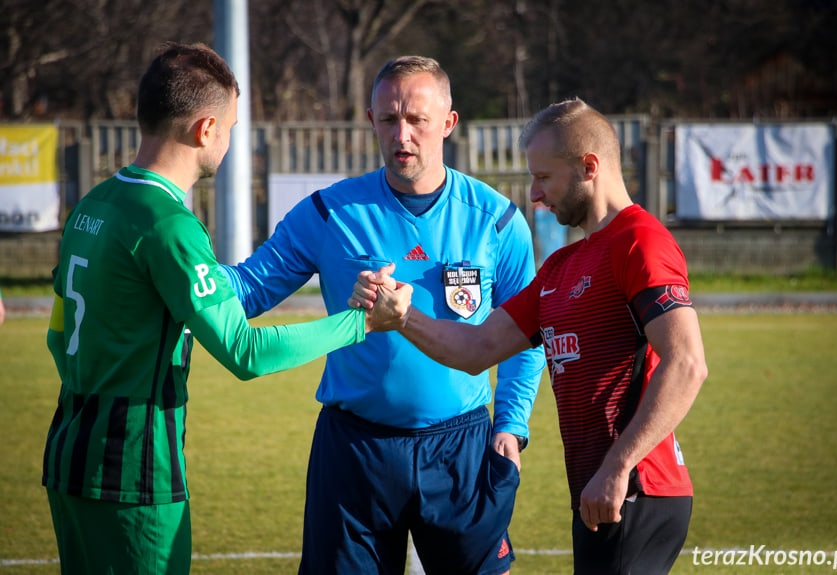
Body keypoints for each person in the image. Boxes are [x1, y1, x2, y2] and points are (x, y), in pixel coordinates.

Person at [42, 42, 408, 575]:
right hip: (133, 471)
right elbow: (246, 352)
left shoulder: (92, 205)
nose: (232, 140)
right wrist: (362, 322)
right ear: (206, 129)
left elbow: (57, 335)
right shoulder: (168, 224)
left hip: (69, 453)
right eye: (233, 127)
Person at [354, 98, 709, 575]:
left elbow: (686, 363)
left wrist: (618, 466)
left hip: (637, 487)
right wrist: (401, 315)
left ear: (589, 167)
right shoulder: (562, 266)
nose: (535, 194)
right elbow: (477, 349)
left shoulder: (639, 241)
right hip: (598, 489)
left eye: (544, 177)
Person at [221, 55, 545, 574]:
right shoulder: (329, 213)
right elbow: (247, 289)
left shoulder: (498, 222)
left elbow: (527, 337)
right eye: (389, 119)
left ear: (447, 123)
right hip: (355, 450)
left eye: (417, 119)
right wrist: (177, 267)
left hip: (461, 446)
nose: (403, 134)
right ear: (371, 120)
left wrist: (511, 424)